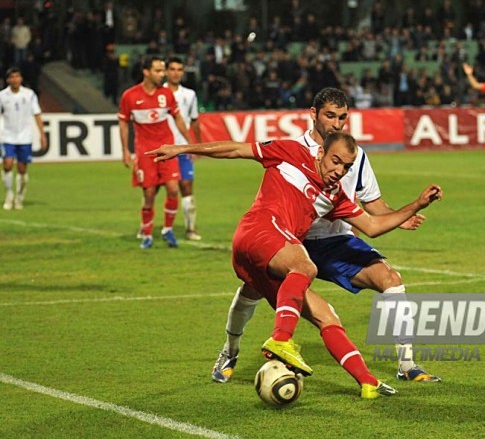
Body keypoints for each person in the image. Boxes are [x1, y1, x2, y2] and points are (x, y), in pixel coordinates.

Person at [147, 132, 442, 398]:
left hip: (271, 254)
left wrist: (416, 205)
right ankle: (280, 339)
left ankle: (367, 382)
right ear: (320, 154)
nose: (338, 171)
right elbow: (236, 150)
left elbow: (373, 225)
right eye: (335, 161)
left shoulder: (335, 195)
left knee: (326, 316)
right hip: (258, 230)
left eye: (346, 168)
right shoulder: (289, 151)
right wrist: (183, 148)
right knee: (306, 267)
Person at [212, 87, 440, 386]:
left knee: (391, 280)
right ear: (314, 114)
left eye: (342, 117)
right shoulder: (292, 149)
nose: (336, 123)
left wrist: (400, 217)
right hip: (293, 239)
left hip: (334, 242)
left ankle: (407, 365)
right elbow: (242, 154)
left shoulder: (355, 156)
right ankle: (229, 352)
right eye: (330, 116)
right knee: (251, 289)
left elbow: (372, 204)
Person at [118, 55, 192, 249]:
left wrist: (189, 142)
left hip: (166, 148)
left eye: (163, 70)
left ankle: (167, 230)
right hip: (145, 151)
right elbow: (123, 123)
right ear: (146, 72)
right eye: (158, 70)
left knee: (173, 189)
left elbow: (178, 118)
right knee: (149, 193)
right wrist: (125, 150)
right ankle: (147, 234)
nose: (163, 74)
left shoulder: (166, 95)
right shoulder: (130, 96)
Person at [165, 56, 203, 240]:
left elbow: (194, 120)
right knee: (153, 190)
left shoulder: (189, 94)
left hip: (182, 148)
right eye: (172, 69)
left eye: (179, 69)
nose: (176, 73)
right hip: (162, 148)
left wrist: (199, 146)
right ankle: (149, 229)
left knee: (186, 187)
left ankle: (191, 229)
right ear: (166, 71)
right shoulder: (159, 93)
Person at [0, 67, 47, 210]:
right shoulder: (2, 95)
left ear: (21, 79)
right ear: (8, 80)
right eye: (12, 77)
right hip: (7, 135)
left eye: (17, 76)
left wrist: (42, 134)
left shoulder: (29, 94)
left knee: (22, 168)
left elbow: (37, 113)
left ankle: (20, 196)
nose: (14, 79)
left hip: (25, 136)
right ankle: (9, 195)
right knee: (7, 164)